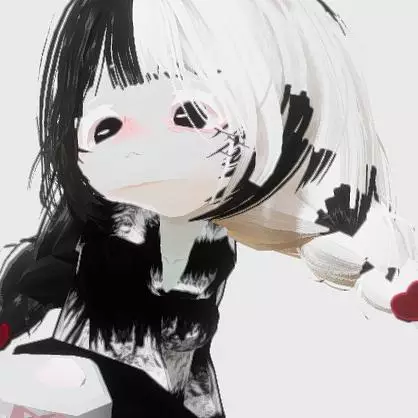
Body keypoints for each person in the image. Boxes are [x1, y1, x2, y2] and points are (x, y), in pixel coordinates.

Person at [1, 0, 417, 416]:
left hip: (181, 386)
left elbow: (315, 231)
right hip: (92, 379)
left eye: (188, 114)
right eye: (107, 127)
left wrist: (383, 273)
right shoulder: (102, 209)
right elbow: (45, 265)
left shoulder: (232, 207)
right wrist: (8, 317)